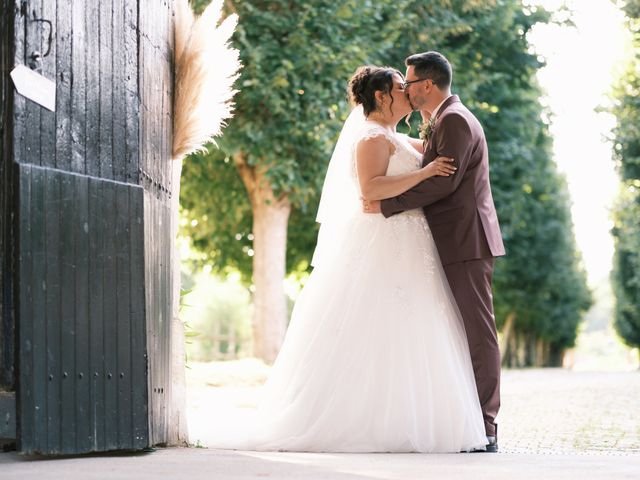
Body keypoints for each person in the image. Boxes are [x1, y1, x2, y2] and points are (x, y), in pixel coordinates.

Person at [207, 63, 489, 453]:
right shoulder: (370, 137)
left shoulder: (398, 135)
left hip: (410, 238)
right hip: (381, 236)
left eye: (409, 84)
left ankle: (409, 417)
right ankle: (361, 418)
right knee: (372, 321)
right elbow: (371, 188)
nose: (406, 90)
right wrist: (424, 176)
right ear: (380, 96)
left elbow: (438, 161)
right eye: (398, 86)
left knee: (413, 324)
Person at [364, 51, 506, 452]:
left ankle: (486, 425)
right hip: (450, 239)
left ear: (426, 85)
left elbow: (445, 182)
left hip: (465, 239)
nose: (406, 89)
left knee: (478, 332)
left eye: (409, 82)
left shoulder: (455, 120)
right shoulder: (441, 119)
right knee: (459, 331)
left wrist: (386, 206)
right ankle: (466, 419)